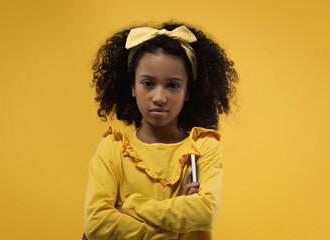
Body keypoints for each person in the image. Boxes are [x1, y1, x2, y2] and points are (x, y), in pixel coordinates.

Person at [83, 22, 238, 240]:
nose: (159, 97)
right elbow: (96, 225)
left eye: (173, 85)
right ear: (132, 87)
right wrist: (177, 223)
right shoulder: (113, 148)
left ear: (188, 92)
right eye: (148, 83)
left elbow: (206, 213)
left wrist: (131, 205)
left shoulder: (202, 147)